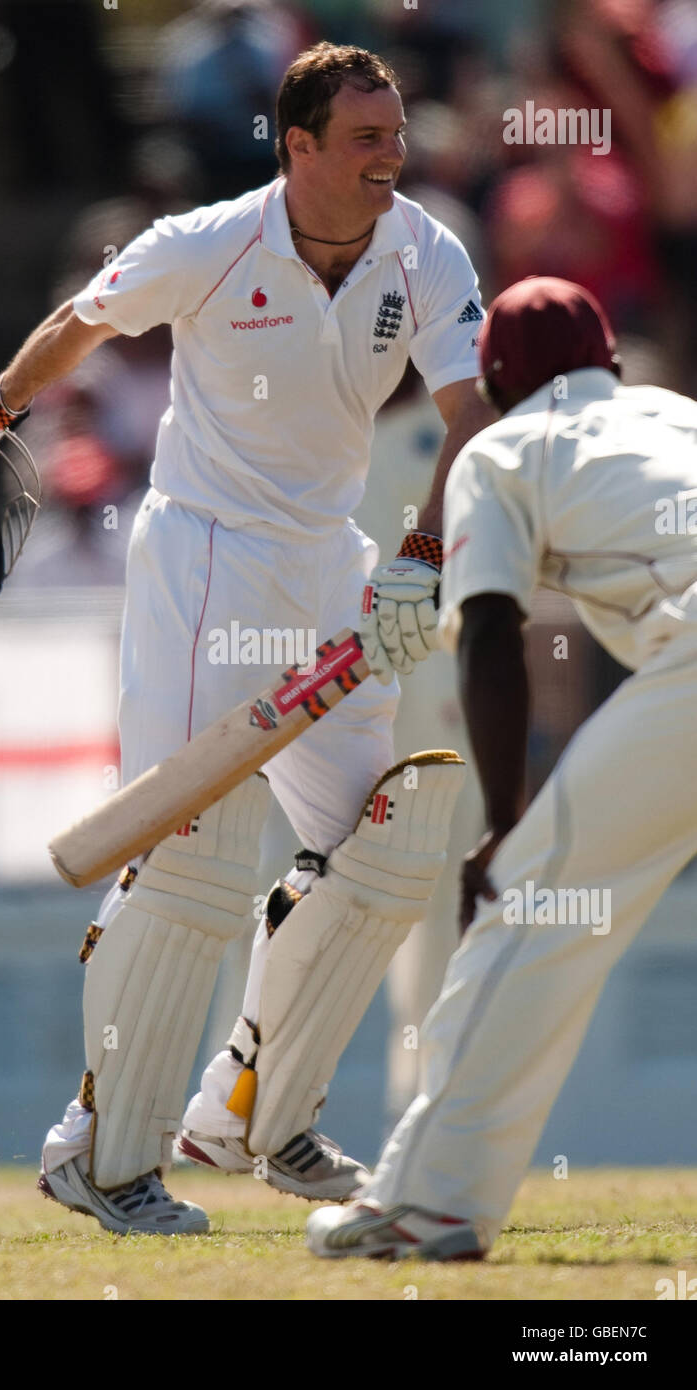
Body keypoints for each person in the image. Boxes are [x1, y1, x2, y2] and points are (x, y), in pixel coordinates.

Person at [0, 43, 491, 1235]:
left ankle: (248, 1109)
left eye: (399, 135)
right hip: (205, 561)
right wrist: (1, 405)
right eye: (367, 138)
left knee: (387, 843)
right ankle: (101, 1153)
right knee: (190, 863)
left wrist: (423, 556)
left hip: (336, 562)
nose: (394, 156)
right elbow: (86, 318)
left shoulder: (426, 251)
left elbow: (470, 418)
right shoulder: (211, 240)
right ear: (302, 147)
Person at [307, 275, 697, 1261]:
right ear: (608, 357)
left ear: (495, 381)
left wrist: (505, 821)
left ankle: (427, 1202)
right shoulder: (673, 413)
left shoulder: (502, 446)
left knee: (529, 909)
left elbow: (486, 631)